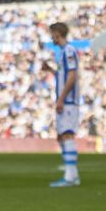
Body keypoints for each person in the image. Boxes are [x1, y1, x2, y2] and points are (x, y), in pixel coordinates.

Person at [42, 23, 80, 187]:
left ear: (58, 34)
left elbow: (72, 76)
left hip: (68, 101)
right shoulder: (63, 53)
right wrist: (51, 70)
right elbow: (63, 75)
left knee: (67, 135)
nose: (51, 38)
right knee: (61, 136)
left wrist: (62, 99)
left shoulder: (69, 51)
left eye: (52, 34)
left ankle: (70, 177)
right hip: (65, 100)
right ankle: (73, 175)